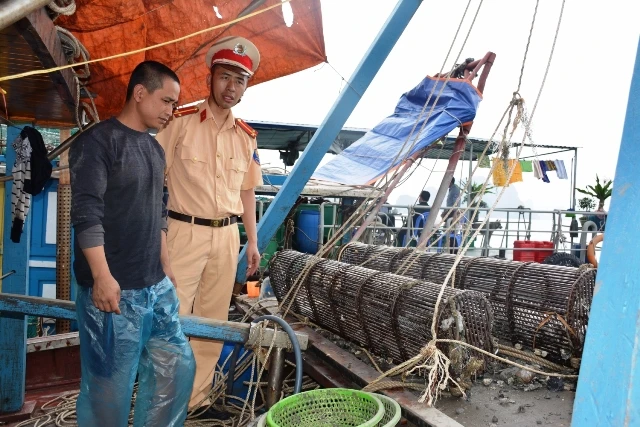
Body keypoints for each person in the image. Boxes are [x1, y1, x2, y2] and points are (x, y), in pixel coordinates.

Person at [70, 61, 195, 426]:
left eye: (174, 104)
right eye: (166, 101)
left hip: (154, 285)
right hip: (113, 290)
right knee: (108, 391)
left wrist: (166, 266)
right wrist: (102, 277)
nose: (171, 112)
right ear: (140, 93)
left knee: (177, 367)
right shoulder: (98, 142)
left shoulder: (155, 151)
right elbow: (86, 215)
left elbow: (158, 213)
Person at [155, 35, 263, 410]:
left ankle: (196, 404)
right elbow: (153, 182)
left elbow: (247, 191)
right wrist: (158, 240)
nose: (231, 88)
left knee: (213, 323)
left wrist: (252, 240)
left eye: (240, 81)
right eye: (225, 77)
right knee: (172, 320)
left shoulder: (246, 137)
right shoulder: (179, 123)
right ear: (210, 78)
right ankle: (163, 403)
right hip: (183, 231)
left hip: (227, 237)